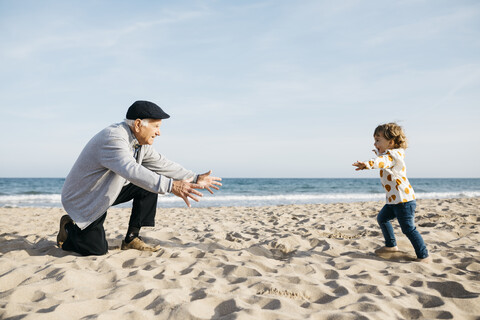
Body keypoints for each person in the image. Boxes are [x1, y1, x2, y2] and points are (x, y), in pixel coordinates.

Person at [58, 100, 222, 256]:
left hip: (104, 192)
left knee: (149, 184)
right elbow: (132, 170)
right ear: (137, 124)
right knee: (97, 250)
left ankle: (131, 238)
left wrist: (194, 177)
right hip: (84, 198)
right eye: (156, 126)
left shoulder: (139, 143)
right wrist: (171, 186)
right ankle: (68, 229)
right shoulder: (113, 138)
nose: (159, 132)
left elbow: (162, 164)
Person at [352, 123, 429, 262]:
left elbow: (382, 161)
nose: (375, 143)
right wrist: (377, 157)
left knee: (408, 229)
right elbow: (382, 159)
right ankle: (391, 246)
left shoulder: (392, 155)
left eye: (378, 140)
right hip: (394, 201)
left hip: (404, 201)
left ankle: (423, 256)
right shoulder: (388, 155)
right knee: (382, 218)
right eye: (374, 140)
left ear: (391, 142)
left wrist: (367, 164)